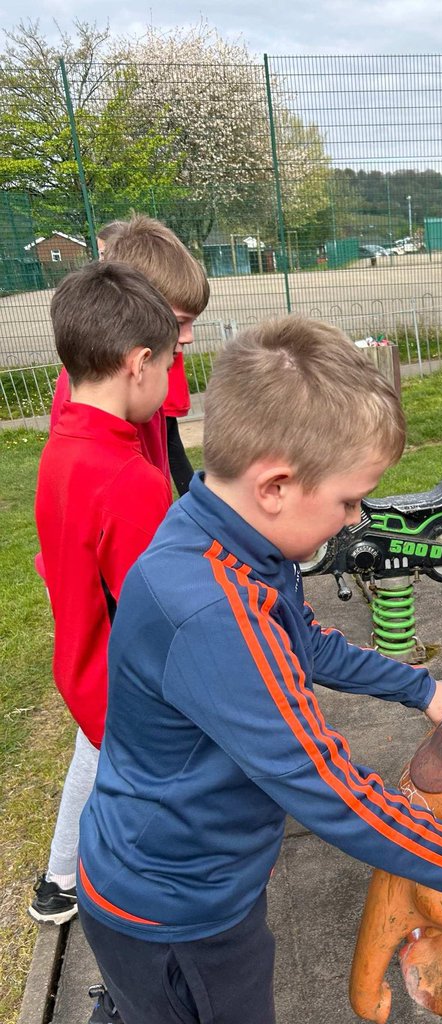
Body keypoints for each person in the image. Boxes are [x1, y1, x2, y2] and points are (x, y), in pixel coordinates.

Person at [76, 315, 442, 1024]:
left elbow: (303, 644)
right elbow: (332, 788)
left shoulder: (224, 543)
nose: (358, 518)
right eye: (348, 501)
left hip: (155, 887)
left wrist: (418, 689)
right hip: (180, 919)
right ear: (277, 483)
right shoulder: (215, 610)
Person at [29, 261, 178, 934]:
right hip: (135, 709)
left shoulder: (62, 449)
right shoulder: (130, 478)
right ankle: (127, 988)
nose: (174, 384)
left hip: (85, 681)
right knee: (159, 856)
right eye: (172, 366)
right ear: (138, 363)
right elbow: (166, 620)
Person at [47, 214, 208, 491]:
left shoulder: (137, 386)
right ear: (137, 306)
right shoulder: (102, 393)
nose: (189, 337)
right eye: (180, 322)